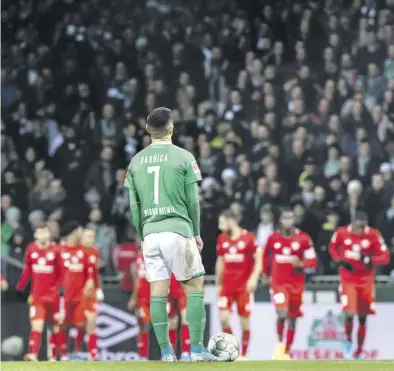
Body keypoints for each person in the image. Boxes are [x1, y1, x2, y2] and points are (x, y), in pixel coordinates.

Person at [124, 107, 221, 362]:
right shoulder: (184, 157)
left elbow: (134, 206)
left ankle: (167, 353)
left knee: (157, 291)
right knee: (195, 287)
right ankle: (197, 350)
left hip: (150, 234)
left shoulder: (135, 161)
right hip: (177, 229)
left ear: (148, 130)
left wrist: (142, 234)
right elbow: (193, 200)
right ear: (171, 128)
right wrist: (196, 232)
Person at [328, 211, 390, 359]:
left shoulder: (374, 235)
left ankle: (359, 351)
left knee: (362, 317)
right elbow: (332, 248)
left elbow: (385, 257)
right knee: (349, 313)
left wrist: (371, 260)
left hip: (366, 280)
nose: (360, 230)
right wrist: (339, 260)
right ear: (352, 223)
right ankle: (348, 341)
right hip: (348, 279)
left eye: (363, 227)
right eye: (358, 227)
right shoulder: (341, 233)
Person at [262, 208, 317, 360]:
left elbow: (313, 261)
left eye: (290, 218)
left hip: (297, 285)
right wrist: (264, 273)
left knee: (292, 318)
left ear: (294, 220)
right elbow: (265, 254)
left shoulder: (304, 239)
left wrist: (301, 263)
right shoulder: (273, 238)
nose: (288, 221)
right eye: (285, 218)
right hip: (278, 283)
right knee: (282, 313)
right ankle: (280, 345)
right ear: (280, 220)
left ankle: (287, 351)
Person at [215, 209, 262, 359]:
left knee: (244, 323)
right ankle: (232, 349)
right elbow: (220, 262)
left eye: (222, 222)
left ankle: (244, 356)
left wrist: (254, 277)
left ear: (231, 221)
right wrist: (218, 284)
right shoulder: (222, 239)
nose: (220, 226)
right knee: (223, 319)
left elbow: (259, 260)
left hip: (243, 287)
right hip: (227, 287)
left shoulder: (249, 238)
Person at [16, 224, 63, 361]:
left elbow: (62, 273)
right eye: (39, 233)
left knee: (54, 326)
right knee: (37, 325)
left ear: (49, 234)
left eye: (44, 232)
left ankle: (53, 357)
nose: (42, 235)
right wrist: (20, 286)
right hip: (37, 296)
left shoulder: (56, 249)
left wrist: (59, 288)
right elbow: (28, 270)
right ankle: (33, 355)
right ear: (35, 235)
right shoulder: (31, 249)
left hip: (53, 296)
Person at [59, 222, 97, 360]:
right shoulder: (60, 249)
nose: (82, 232)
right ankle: (63, 354)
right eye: (81, 229)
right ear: (74, 231)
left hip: (80, 294)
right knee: (63, 325)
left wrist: (91, 282)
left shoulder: (84, 250)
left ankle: (79, 351)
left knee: (82, 323)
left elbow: (90, 272)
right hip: (64, 294)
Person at [73, 227, 103, 360]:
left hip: (90, 294)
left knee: (91, 321)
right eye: (88, 236)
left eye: (93, 236)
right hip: (77, 293)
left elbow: (95, 272)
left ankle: (93, 354)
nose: (91, 239)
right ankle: (77, 351)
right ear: (82, 237)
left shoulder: (94, 252)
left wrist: (99, 289)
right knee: (80, 324)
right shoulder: (76, 251)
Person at [128, 248, 151, 360]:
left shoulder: (160, 254)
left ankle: (168, 354)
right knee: (143, 325)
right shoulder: (139, 256)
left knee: (166, 325)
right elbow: (137, 278)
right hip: (143, 298)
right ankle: (143, 355)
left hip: (158, 296)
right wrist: (134, 297)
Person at [168, 275, 190, 361]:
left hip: (183, 288)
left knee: (186, 319)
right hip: (169, 288)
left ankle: (185, 353)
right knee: (171, 324)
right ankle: (171, 354)